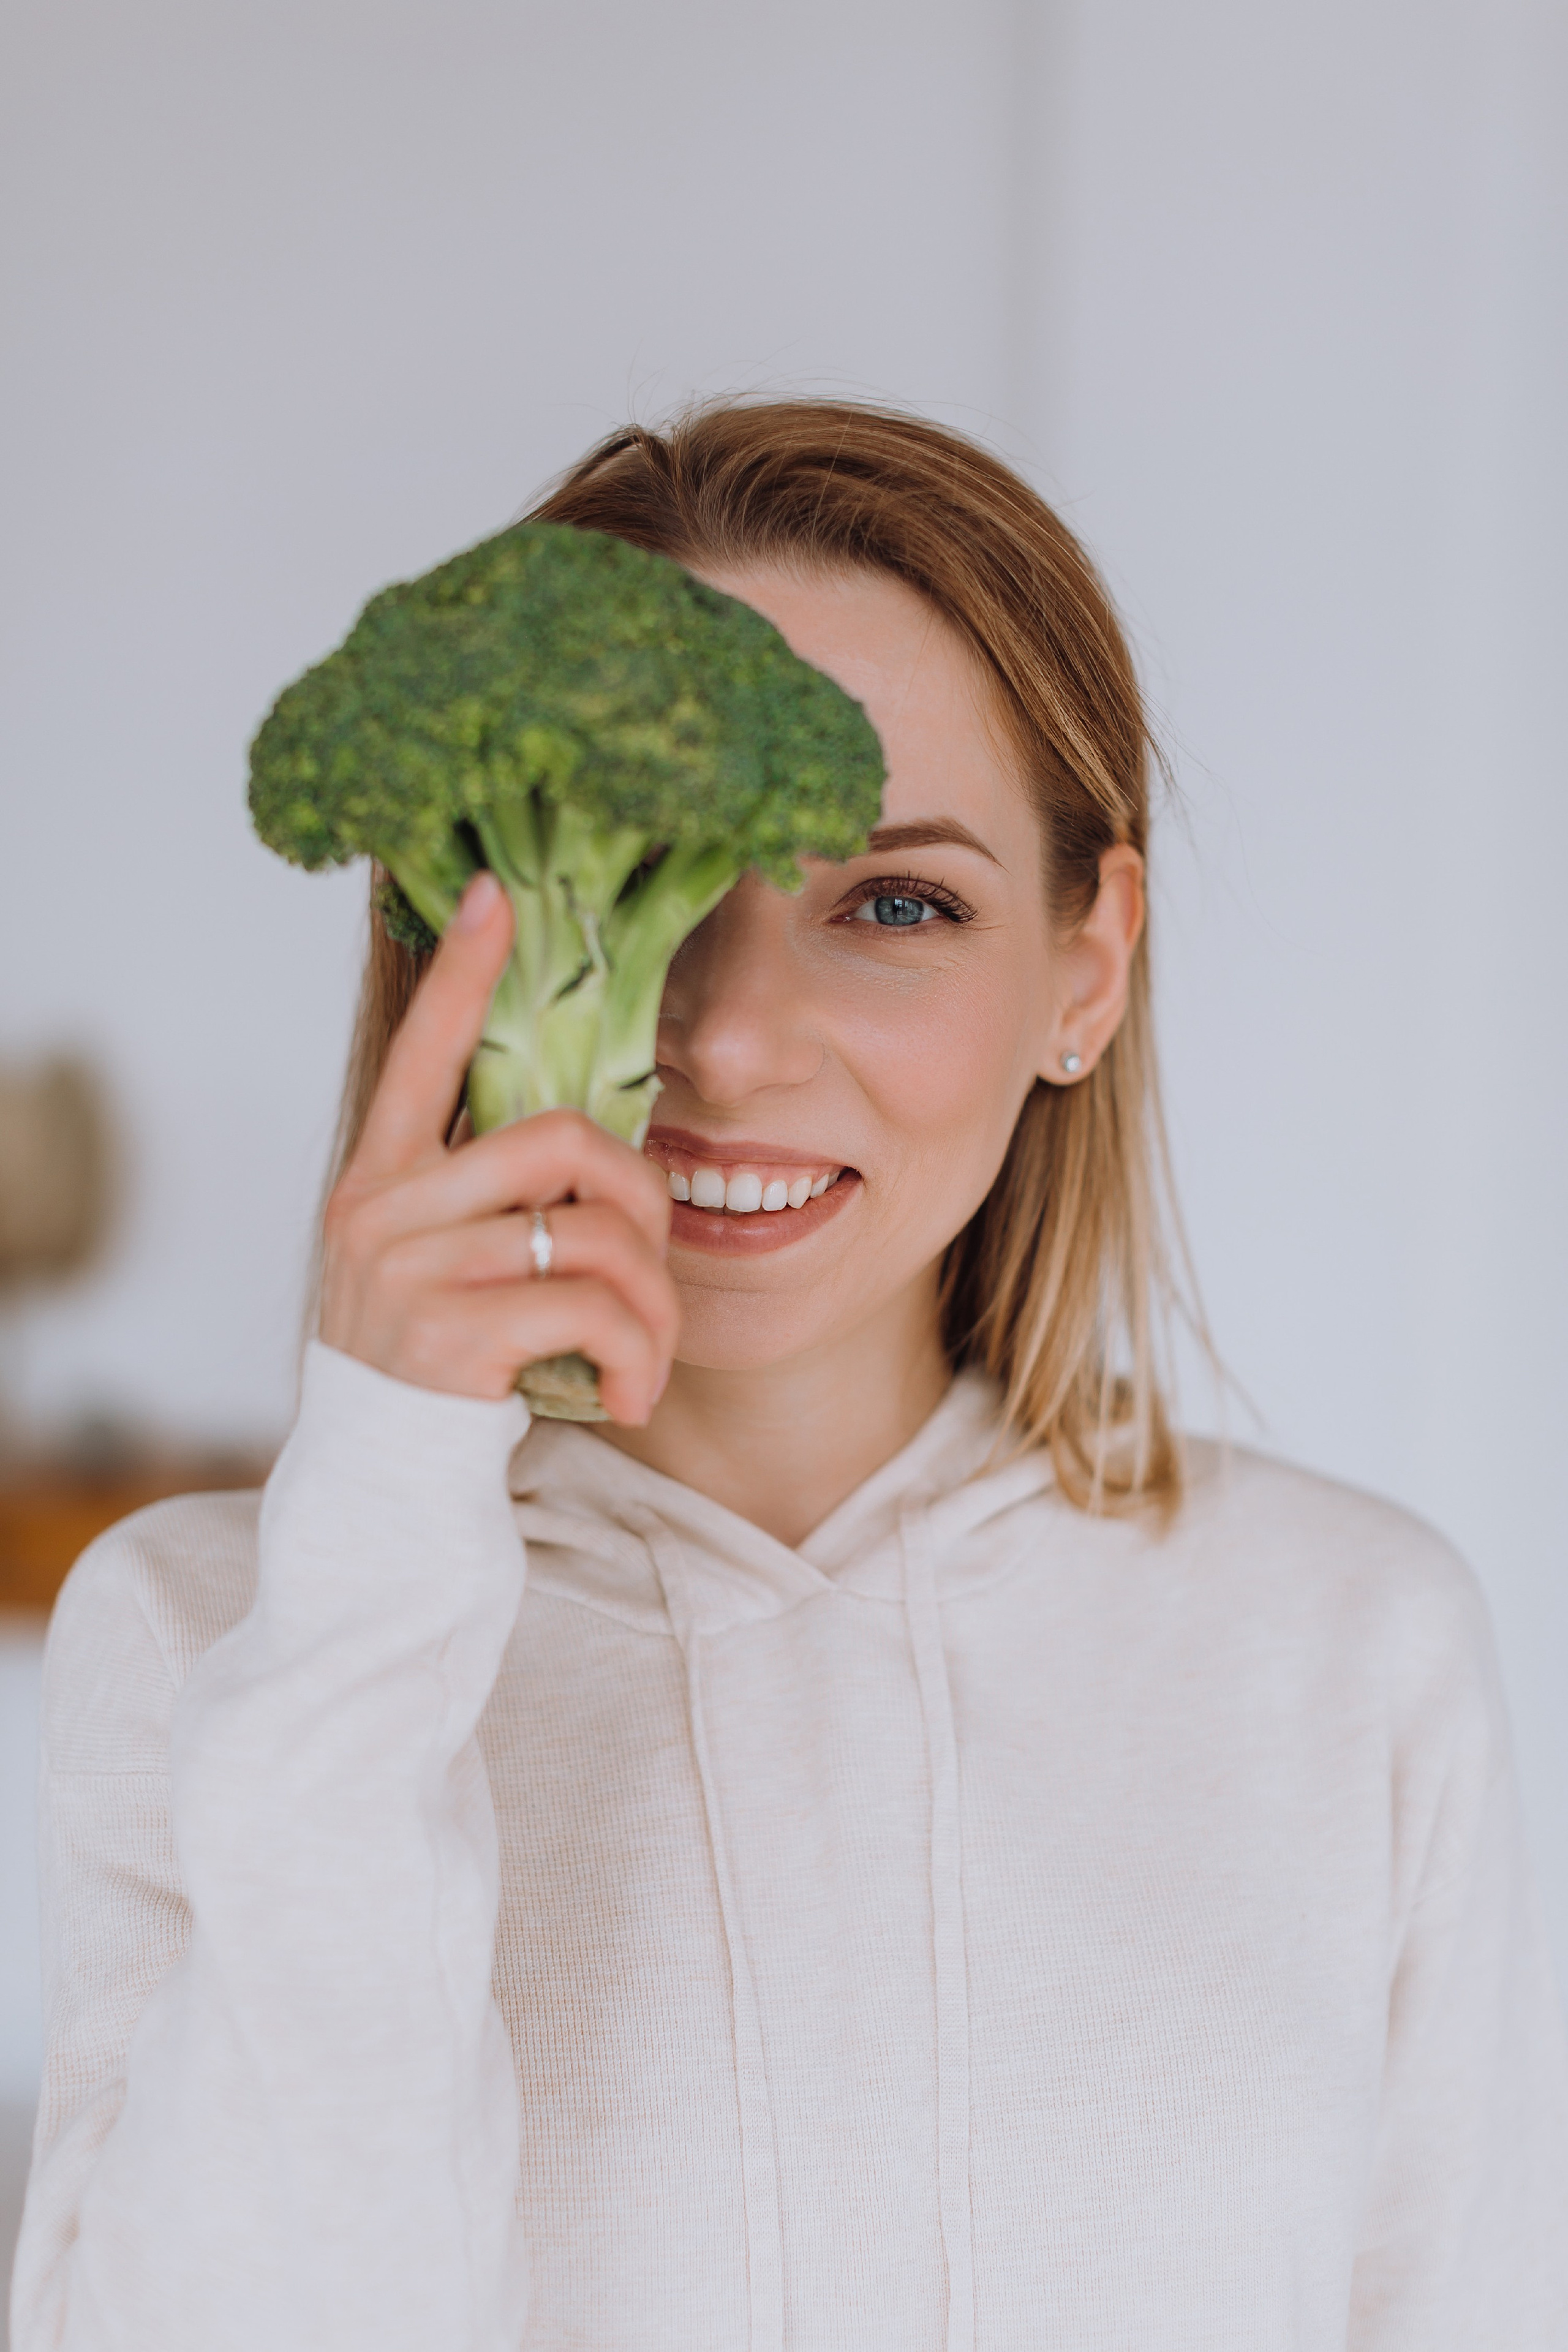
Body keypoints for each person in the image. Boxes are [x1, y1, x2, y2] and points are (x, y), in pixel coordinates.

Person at [12, 402, 1567, 2352]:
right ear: (450, 936)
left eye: (895, 904)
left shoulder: (1353, 1649)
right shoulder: (216, 1632)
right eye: (640, 888)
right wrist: (385, 1521)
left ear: (1087, 969)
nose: (731, 1043)